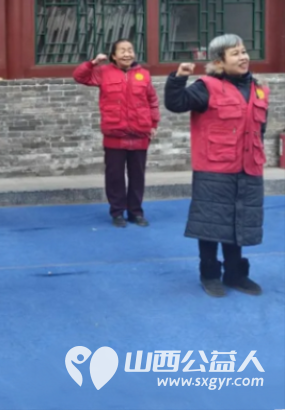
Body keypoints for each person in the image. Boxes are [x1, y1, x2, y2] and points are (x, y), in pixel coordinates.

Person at [165, 34, 268, 297]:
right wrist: (178, 78)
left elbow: (260, 129)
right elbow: (175, 103)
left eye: (244, 51)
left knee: (238, 223)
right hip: (214, 169)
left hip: (248, 168)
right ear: (219, 62)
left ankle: (235, 274)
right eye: (235, 53)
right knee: (210, 225)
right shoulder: (206, 87)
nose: (243, 57)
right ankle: (209, 274)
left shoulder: (258, 88)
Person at [73, 39, 160, 228]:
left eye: (130, 50)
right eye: (122, 50)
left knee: (137, 176)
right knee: (115, 176)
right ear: (113, 55)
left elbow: (152, 101)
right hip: (114, 134)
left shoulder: (144, 75)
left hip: (140, 133)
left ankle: (136, 212)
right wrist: (93, 63)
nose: (127, 54)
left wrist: (153, 124)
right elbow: (79, 77)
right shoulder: (103, 72)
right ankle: (117, 212)